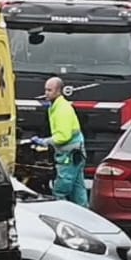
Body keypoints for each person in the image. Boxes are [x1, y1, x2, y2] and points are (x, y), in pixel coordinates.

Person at [34, 76, 89, 206]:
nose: (46, 93)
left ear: (59, 91)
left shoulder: (61, 109)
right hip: (75, 154)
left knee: (60, 191)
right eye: (46, 90)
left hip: (69, 156)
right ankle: (84, 217)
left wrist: (44, 142)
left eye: (49, 90)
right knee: (77, 190)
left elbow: (63, 136)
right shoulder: (57, 106)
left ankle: (63, 217)